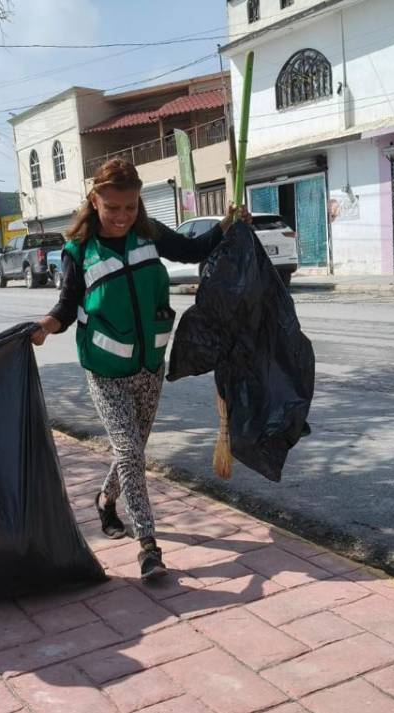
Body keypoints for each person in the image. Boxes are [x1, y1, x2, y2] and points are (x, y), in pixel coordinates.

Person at [33, 158, 249, 582]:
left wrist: (228, 223)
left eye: (130, 207)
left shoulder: (148, 234)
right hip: (104, 370)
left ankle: (105, 499)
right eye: (112, 207)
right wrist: (44, 326)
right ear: (94, 200)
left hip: (150, 365)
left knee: (131, 450)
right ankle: (148, 547)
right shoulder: (78, 250)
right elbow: (65, 305)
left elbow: (194, 249)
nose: (122, 216)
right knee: (130, 451)